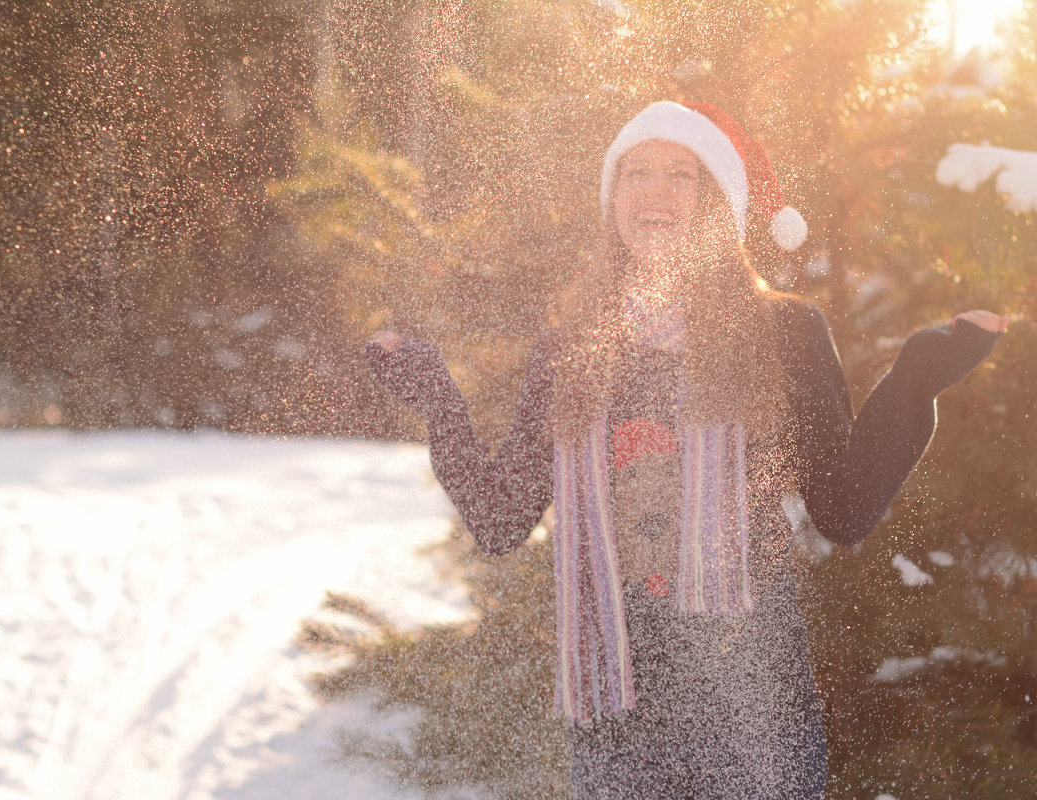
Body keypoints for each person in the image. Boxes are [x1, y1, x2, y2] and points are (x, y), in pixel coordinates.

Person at [363, 100, 1007, 799]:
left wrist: (918, 375)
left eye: (681, 174)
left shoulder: (783, 332)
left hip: (755, 712)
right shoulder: (573, 347)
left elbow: (843, 508)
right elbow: (499, 517)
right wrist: (434, 395)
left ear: (718, 206)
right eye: (635, 173)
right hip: (619, 720)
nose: (654, 191)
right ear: (613, 201)